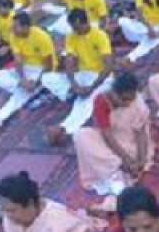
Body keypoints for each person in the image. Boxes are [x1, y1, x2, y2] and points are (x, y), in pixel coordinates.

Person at [43, 8, 116, 145]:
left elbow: (108, 66)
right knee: (47, 78)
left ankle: (65, 128)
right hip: (83, 75)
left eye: (78, 27)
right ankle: (72, 93)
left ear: (86, 23)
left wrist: (91, 87)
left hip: (102, 78)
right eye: (73, 28)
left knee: (87, 100)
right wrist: (74, 84)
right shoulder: (71, 36)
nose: (76, 31)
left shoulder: (100, 35)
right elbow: (69, 61)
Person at [73, 73, 154, 195]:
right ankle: (114, 173)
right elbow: (107, 135)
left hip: (131, 143)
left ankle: (116, 173)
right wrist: (125, 160)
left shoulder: (137, 101)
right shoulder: (102, 100)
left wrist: (140, 161)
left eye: (130, 99)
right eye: (124, 99)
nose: (127, 103)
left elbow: (141, 134)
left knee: (129, 158)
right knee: (81, 135)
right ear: (114, 93)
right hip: (110, 144)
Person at [0, 11, 56, 131]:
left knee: (17, 98)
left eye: (16, 26)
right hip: (25, 71)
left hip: (40, 71)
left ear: (26, 27)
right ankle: (26, 89)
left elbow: (49, 65)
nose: (13, 29)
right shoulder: (14, 36)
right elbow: (18, 61)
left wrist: (36, 82)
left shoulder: (42, 37)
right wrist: (22, 80)